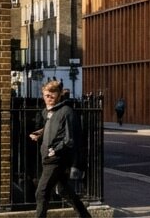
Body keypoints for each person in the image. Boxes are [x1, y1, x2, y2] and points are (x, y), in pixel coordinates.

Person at [30, 80, 91, 218]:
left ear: (59, 95)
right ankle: (85, 215)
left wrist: (54, 150)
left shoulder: (66, 111)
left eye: (52, 95)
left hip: (56, 158)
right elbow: (54, 129)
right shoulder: (48, 112)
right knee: (64, 189)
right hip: (47, 156)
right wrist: (40, 135)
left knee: (41, 192)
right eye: (46, 95)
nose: (49, 98)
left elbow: (69, 138)